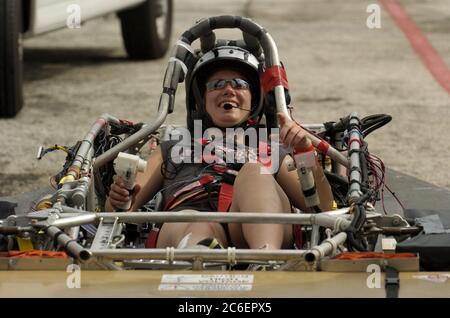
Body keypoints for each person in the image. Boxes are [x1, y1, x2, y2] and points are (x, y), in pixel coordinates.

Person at [105, 44, 334, 251]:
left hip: (250, 222)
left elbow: (322, 209)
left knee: (255, 171)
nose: (228, 90)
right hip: (187, 223)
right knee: (195, 223)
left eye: (239, 84)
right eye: (216, 85)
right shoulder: (171, 148)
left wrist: (305, 154)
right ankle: (200, 258)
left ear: (254, 100)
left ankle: (266, 259)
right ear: (202, 100)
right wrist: (119, 197)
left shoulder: (271, 148)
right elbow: (117, 213)